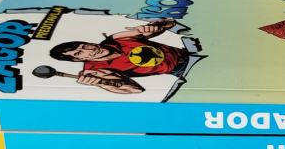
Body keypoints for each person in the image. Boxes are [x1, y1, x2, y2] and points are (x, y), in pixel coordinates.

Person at [49, 19, 187, 94]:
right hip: (181, 70)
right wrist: (103, 84)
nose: (90, 50)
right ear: (77, 60)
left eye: (84, 46)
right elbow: (135, 90)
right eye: (79, 53)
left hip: (187, 53)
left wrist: (155, 26)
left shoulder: (116, 38)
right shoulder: (95, 71)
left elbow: (169, 23)